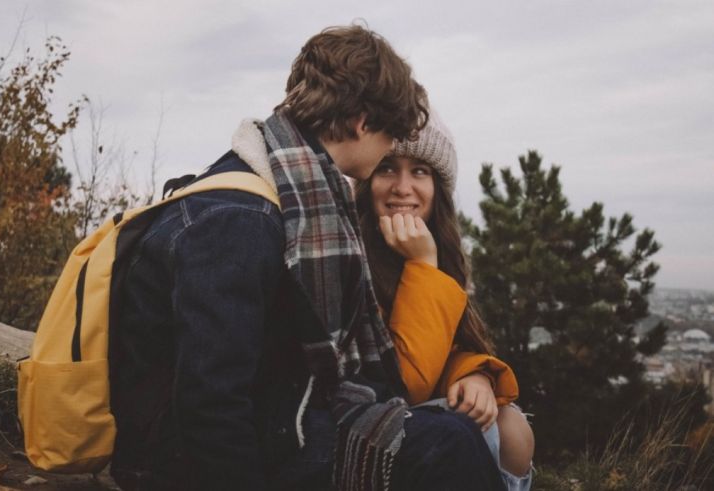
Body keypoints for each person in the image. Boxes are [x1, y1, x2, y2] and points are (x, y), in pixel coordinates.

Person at [109, 24, 505, 490]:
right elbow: (209, 403)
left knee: (449, 434)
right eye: (389, 138)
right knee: (446, 446)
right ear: (361, 123)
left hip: (270, 421)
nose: (385, 158)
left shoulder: (279, 192)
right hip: (183, 461)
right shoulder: (240, 219)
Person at [354, 107, 536, 489]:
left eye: (419, 171)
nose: (403, 187)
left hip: (416, 407)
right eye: (388, 168)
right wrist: (422, 263)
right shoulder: (352, 253)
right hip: (373, 416)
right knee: (478, 434)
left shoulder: (444, 251)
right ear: (366, 179)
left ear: (438, 188)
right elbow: (404, 384)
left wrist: (474, 374)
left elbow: (448, 343)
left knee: (513, 430)